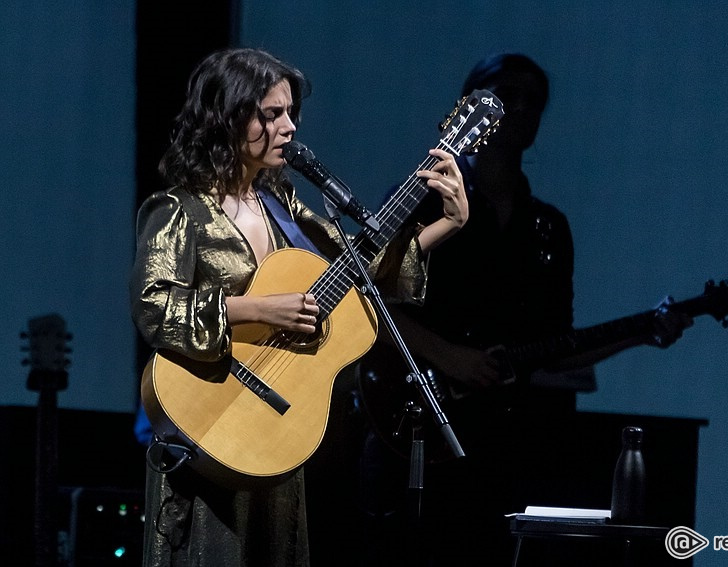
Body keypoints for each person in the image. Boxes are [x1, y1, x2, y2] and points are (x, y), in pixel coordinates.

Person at [129, 47, 468, 567]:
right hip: (210, 428)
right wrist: (259, 309)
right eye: (272, 114)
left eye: (291, 113)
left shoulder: (282, 205)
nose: (289, 127)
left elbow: (359, 269)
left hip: (276, 429)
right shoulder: (180, 209)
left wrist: (444, 227)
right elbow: (155, 307)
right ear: (228, 117)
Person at [355, 53, 694, 566]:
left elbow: (556, 346)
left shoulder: (547, 227)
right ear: (465, 108)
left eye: (533, 102)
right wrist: (447, 356)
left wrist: (646, 331)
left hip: (504, 444)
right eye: (503, 96)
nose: (519, 110)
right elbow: (362, 296)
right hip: (414, 425)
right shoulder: (421, 202)